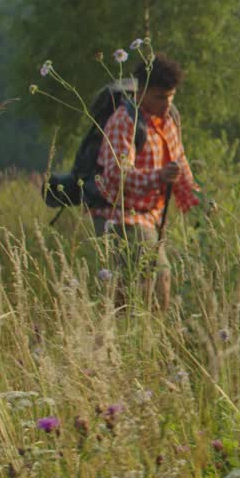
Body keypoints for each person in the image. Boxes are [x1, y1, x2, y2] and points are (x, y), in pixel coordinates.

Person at [92, 53, 202, 310]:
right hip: (119, 215)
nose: (167, 104)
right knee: (156, 276)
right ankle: (142, 339)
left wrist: (198, 204)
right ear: (141, 92)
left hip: (148, 217)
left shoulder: (168, 122)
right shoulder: (124, 121)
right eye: (160, 97)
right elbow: (116, 175)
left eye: (171, 97)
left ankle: (129, 337)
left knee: (133, 288)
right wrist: (157, 177)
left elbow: (180, 165)